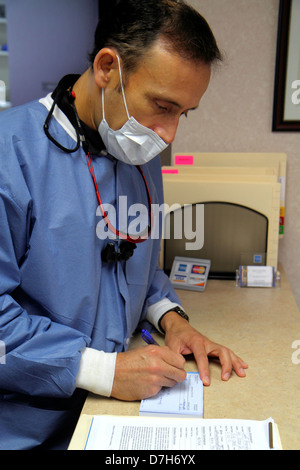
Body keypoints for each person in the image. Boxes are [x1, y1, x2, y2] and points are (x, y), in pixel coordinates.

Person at [0, 0, 248, 450]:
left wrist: (173, 321)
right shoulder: (10, 154)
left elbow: (135, 265)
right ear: (107, 67)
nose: (169, 135)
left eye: (183, 113)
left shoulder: (138, 151)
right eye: (162, 105)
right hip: (27, 429)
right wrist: (105, 371)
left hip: (114, 414)